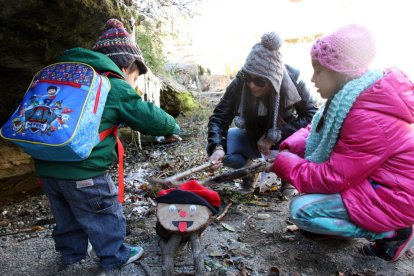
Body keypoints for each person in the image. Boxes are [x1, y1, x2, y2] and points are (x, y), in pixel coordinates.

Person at [34, 18, 181, 270]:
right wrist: (173, 127)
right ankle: (115, 255)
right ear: (127, 65)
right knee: (104, 213)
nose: (133, 83)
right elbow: (149, 117)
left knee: (66, 216)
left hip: (46, 167)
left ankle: (72, 256)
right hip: (85, 171)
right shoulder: (113, 84)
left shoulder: (64, 75)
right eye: (134, 76)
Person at [269, 24, 414, 261]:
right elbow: (316, 127)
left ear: (340, 72)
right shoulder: (348, 98)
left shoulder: (366, 117)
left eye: (319, 71)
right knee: (312, 215)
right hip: (378, 184)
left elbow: (333, 176)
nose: (313, 79)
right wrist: (289, 146)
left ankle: (393, 232)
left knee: (303, 212)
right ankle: (354, 222)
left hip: (395, 196)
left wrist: (287, 164)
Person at [207, 32, 317, 195]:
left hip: (284, 141)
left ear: (273, 80)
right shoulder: (240, 81)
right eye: (248, 77)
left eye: (260, 81)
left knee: (305, 142)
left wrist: (274, 136)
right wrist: (217, 146)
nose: (252, 85)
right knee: (226, 149)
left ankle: (287, 176)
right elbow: (220, 116)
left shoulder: (293, 79)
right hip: (251, 136)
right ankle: (250, 171)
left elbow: (312, 116)